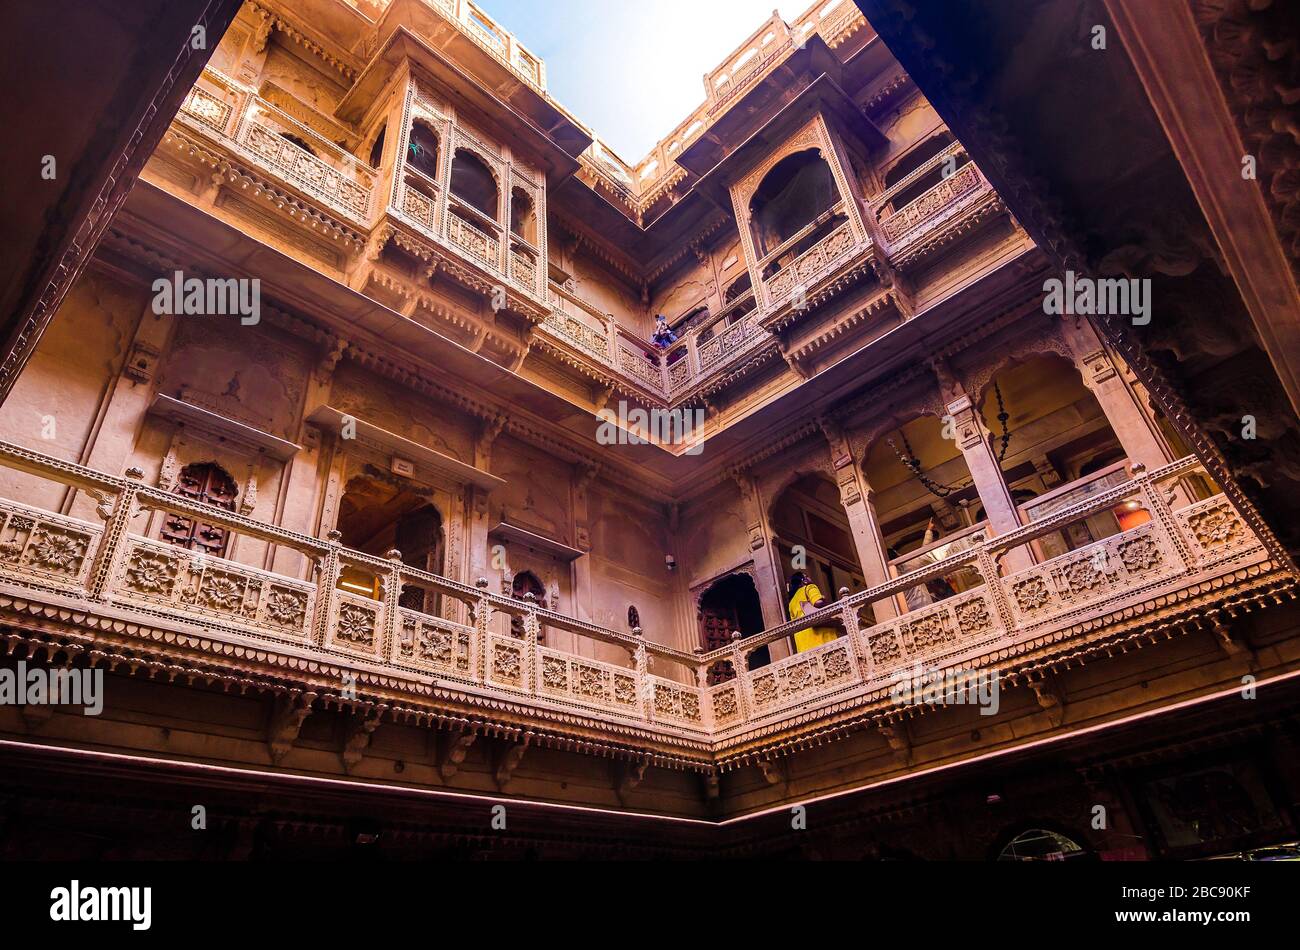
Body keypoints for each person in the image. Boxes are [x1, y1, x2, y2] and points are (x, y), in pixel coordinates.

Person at [786, 571, 839, 653]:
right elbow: (818, 602)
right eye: (807, 576)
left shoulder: (791, 602)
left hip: (803, 644)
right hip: (820, 638)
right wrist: (831, 605)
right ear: (804, 580)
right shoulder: (809, 587)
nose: (810, 578)